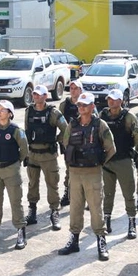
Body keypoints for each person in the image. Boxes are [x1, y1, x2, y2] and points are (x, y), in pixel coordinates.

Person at [58, 93, 117, 261]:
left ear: (92, 107)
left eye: (85, 105)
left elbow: (111, 148)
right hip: (76, 172)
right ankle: (74, 239)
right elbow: (66, 142)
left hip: (93, 173)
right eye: (79, 105)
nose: (81, 108)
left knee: (96, 209)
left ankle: (101, 240)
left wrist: (98, 162)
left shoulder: (100, 125)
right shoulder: (73, 124)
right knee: (75, 207)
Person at [0, 100, 31, 249]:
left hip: (10, 170)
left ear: (10, 114)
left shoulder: (16, 130)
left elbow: (24, 150)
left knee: (15, 201)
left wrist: (15, 163)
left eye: (2, 109)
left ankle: (21, 231)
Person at [100, 89, 138, 239]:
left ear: (121, 101)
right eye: (109, 99)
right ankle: (107, 220)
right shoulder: (103, 115)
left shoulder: (129, 116)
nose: (111, 101)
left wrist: (128, 147)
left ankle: (131, 222)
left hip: (123, 160)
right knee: (107, 193)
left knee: (128, 193)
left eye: (114, 99)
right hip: (107, 161)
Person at [24, 84, 67, 230]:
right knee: (32, 184)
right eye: (35, 94)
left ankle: (54, 212)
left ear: (45, 96)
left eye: (39, 94)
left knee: (52, 185)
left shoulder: (53, 113)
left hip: (48, 155)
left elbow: (66, 129)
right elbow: (26, 131)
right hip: (33, 154)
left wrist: (57, 139)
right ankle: (32, 211)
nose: (36, 97)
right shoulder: (28, 111)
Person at [57, 79, 88, 207]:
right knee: (70, 170)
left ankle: (87, 196)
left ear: (81, 90)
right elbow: (60, 124)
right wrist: (62, 140)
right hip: (70, 144)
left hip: (85, 144)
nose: (73, 91)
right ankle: (67, 193)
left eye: (76, 88)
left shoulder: (87, 104)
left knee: (86, 171)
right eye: (71, 88)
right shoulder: (64, 105)